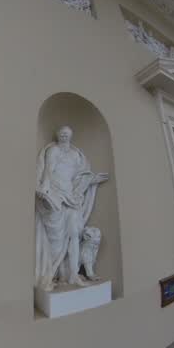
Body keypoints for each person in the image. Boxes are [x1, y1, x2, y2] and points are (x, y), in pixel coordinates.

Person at [35, 125, 110, 292]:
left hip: (71, 197)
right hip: (56, 195)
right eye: (61, 133)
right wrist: (45, 188)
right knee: (56, 240)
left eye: (67, 134)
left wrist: (91, 181)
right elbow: (48, 170)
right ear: (57, 135)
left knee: (75, 234)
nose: (64, 136)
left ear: (71, 136)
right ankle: (51, 274)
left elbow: (79, 178)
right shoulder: (53, 150)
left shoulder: (76, 155)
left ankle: (73, 275)